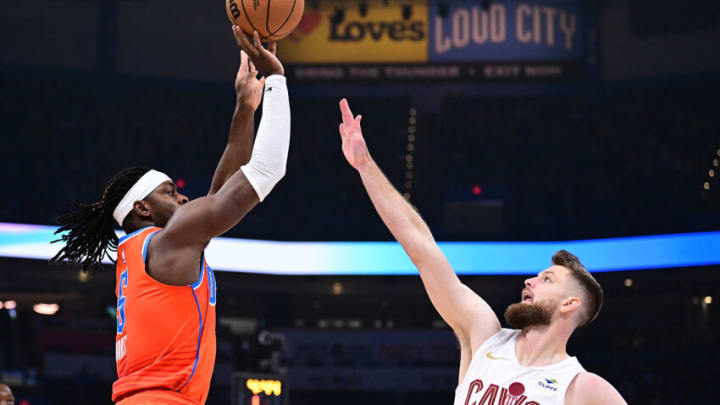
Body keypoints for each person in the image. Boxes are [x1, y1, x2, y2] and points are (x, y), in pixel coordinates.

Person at [50, 28, 290, 405]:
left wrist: (245, 108)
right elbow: (267, 170)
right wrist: (276, 78)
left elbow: (219, 192)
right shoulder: (169, 241)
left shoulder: (146, 250)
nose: (183, 197)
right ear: (142, 208)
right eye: (170, 192)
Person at [336, 99, 627, 405]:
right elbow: (421, 247)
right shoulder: (484, 335)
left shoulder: (582, 388)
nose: (530, 280)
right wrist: (365, 165)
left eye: (547, 280)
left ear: (570, 303)